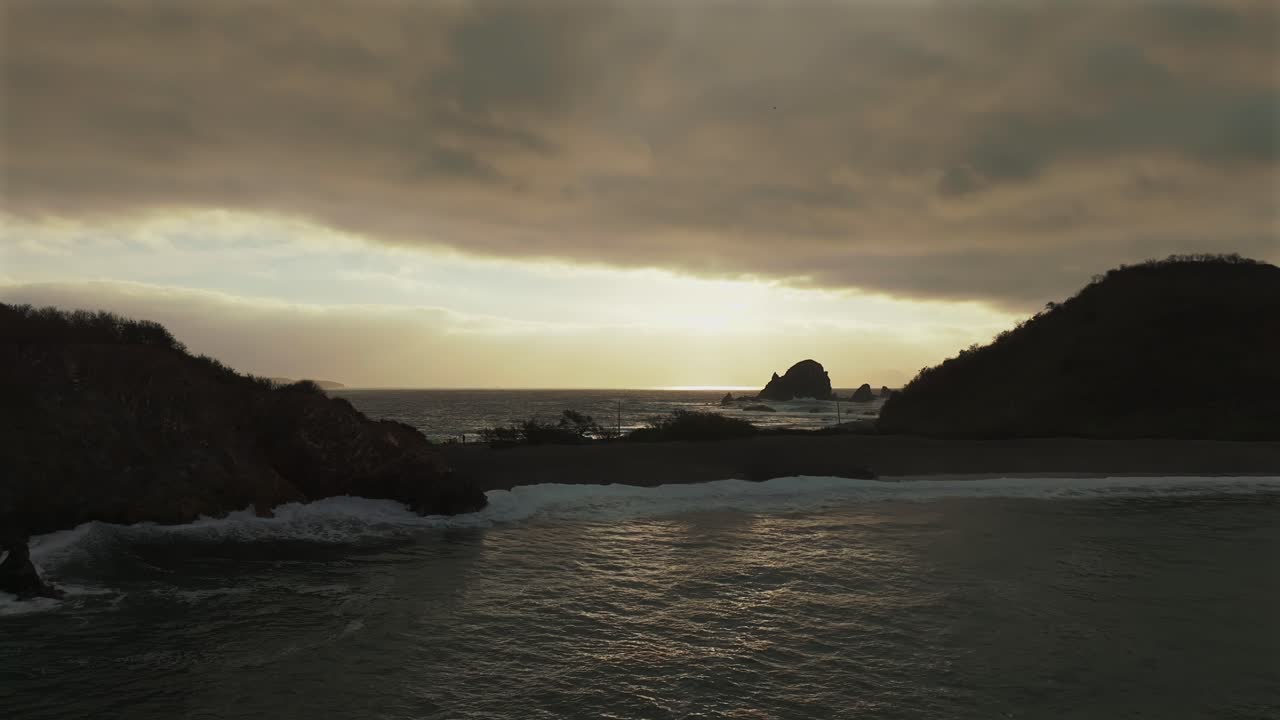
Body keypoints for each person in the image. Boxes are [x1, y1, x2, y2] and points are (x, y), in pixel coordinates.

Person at [0, 529, 63, 600]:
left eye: (27, 551)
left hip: (26, 588)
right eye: (25, 552)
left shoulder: (25, 563)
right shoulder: (9, 565)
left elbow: (35, 579)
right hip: (17, 588)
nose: (27, 554)